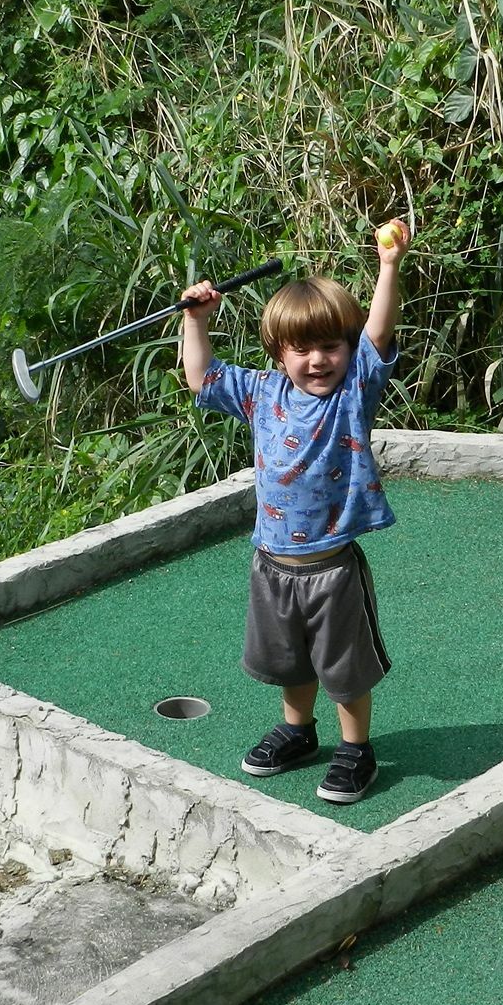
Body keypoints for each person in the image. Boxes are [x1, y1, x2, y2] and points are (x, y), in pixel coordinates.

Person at [179, 219, 410, 805]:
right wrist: (194, 320)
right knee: (289, 660)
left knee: (344, 667)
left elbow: (379, 334)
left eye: (330, 346)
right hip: (272, 563)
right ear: (278, 352)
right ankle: (299, 732)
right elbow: (201, 376)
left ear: (348, 349)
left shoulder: (354, 388)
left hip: (333, 568)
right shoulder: (261, 394)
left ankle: (356, 748)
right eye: (301, 349)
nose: (317, 360)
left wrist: (388, 268)